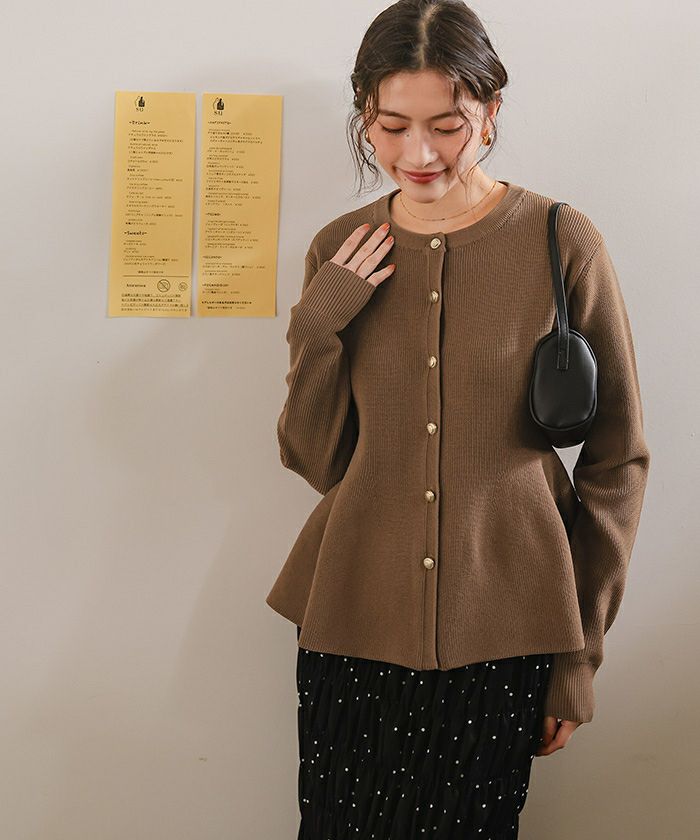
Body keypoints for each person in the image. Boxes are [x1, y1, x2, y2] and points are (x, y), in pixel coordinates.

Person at [266, 1, 651, 837]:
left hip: (508, 632)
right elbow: (315, 459)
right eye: (391, 126)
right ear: (364, 114)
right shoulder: (341, 247)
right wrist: (319, 322)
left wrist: (578, 654)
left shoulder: (561, 241)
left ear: (491, 109)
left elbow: (617, 460)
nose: (419, 154)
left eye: (448, 125)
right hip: (353, 624)